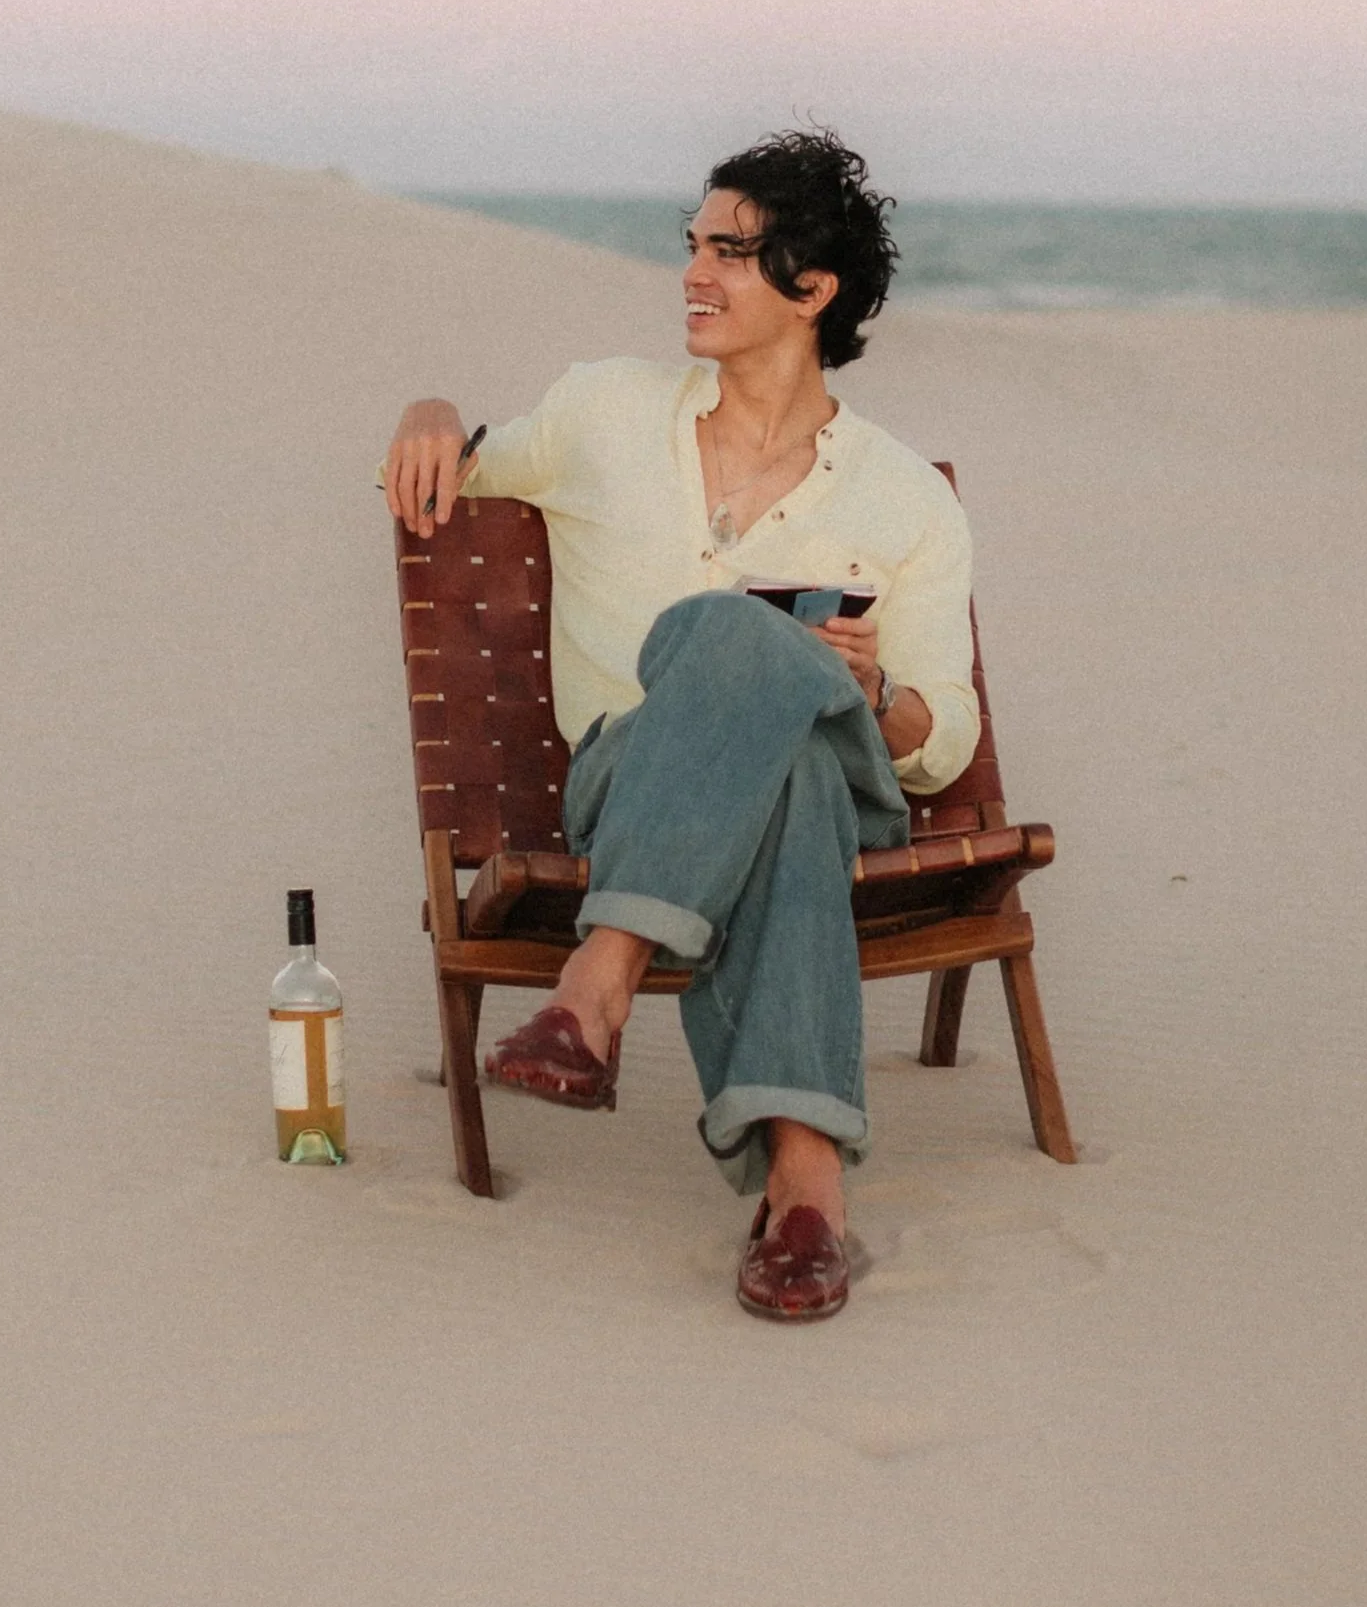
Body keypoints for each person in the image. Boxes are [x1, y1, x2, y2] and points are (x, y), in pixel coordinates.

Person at [380, 130, 978, 1321]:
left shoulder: (903, 495)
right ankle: (806, 1187)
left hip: (847, 767)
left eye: (732, 253)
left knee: (771, 678)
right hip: (629, 771)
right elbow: (473, 466)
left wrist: (868, 691)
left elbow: (941, 735)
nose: (693, 275)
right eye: (692, 246)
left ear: (813, 291)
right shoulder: (601, 407)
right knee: (764, 714)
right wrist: (430, 403)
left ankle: (597, 980)